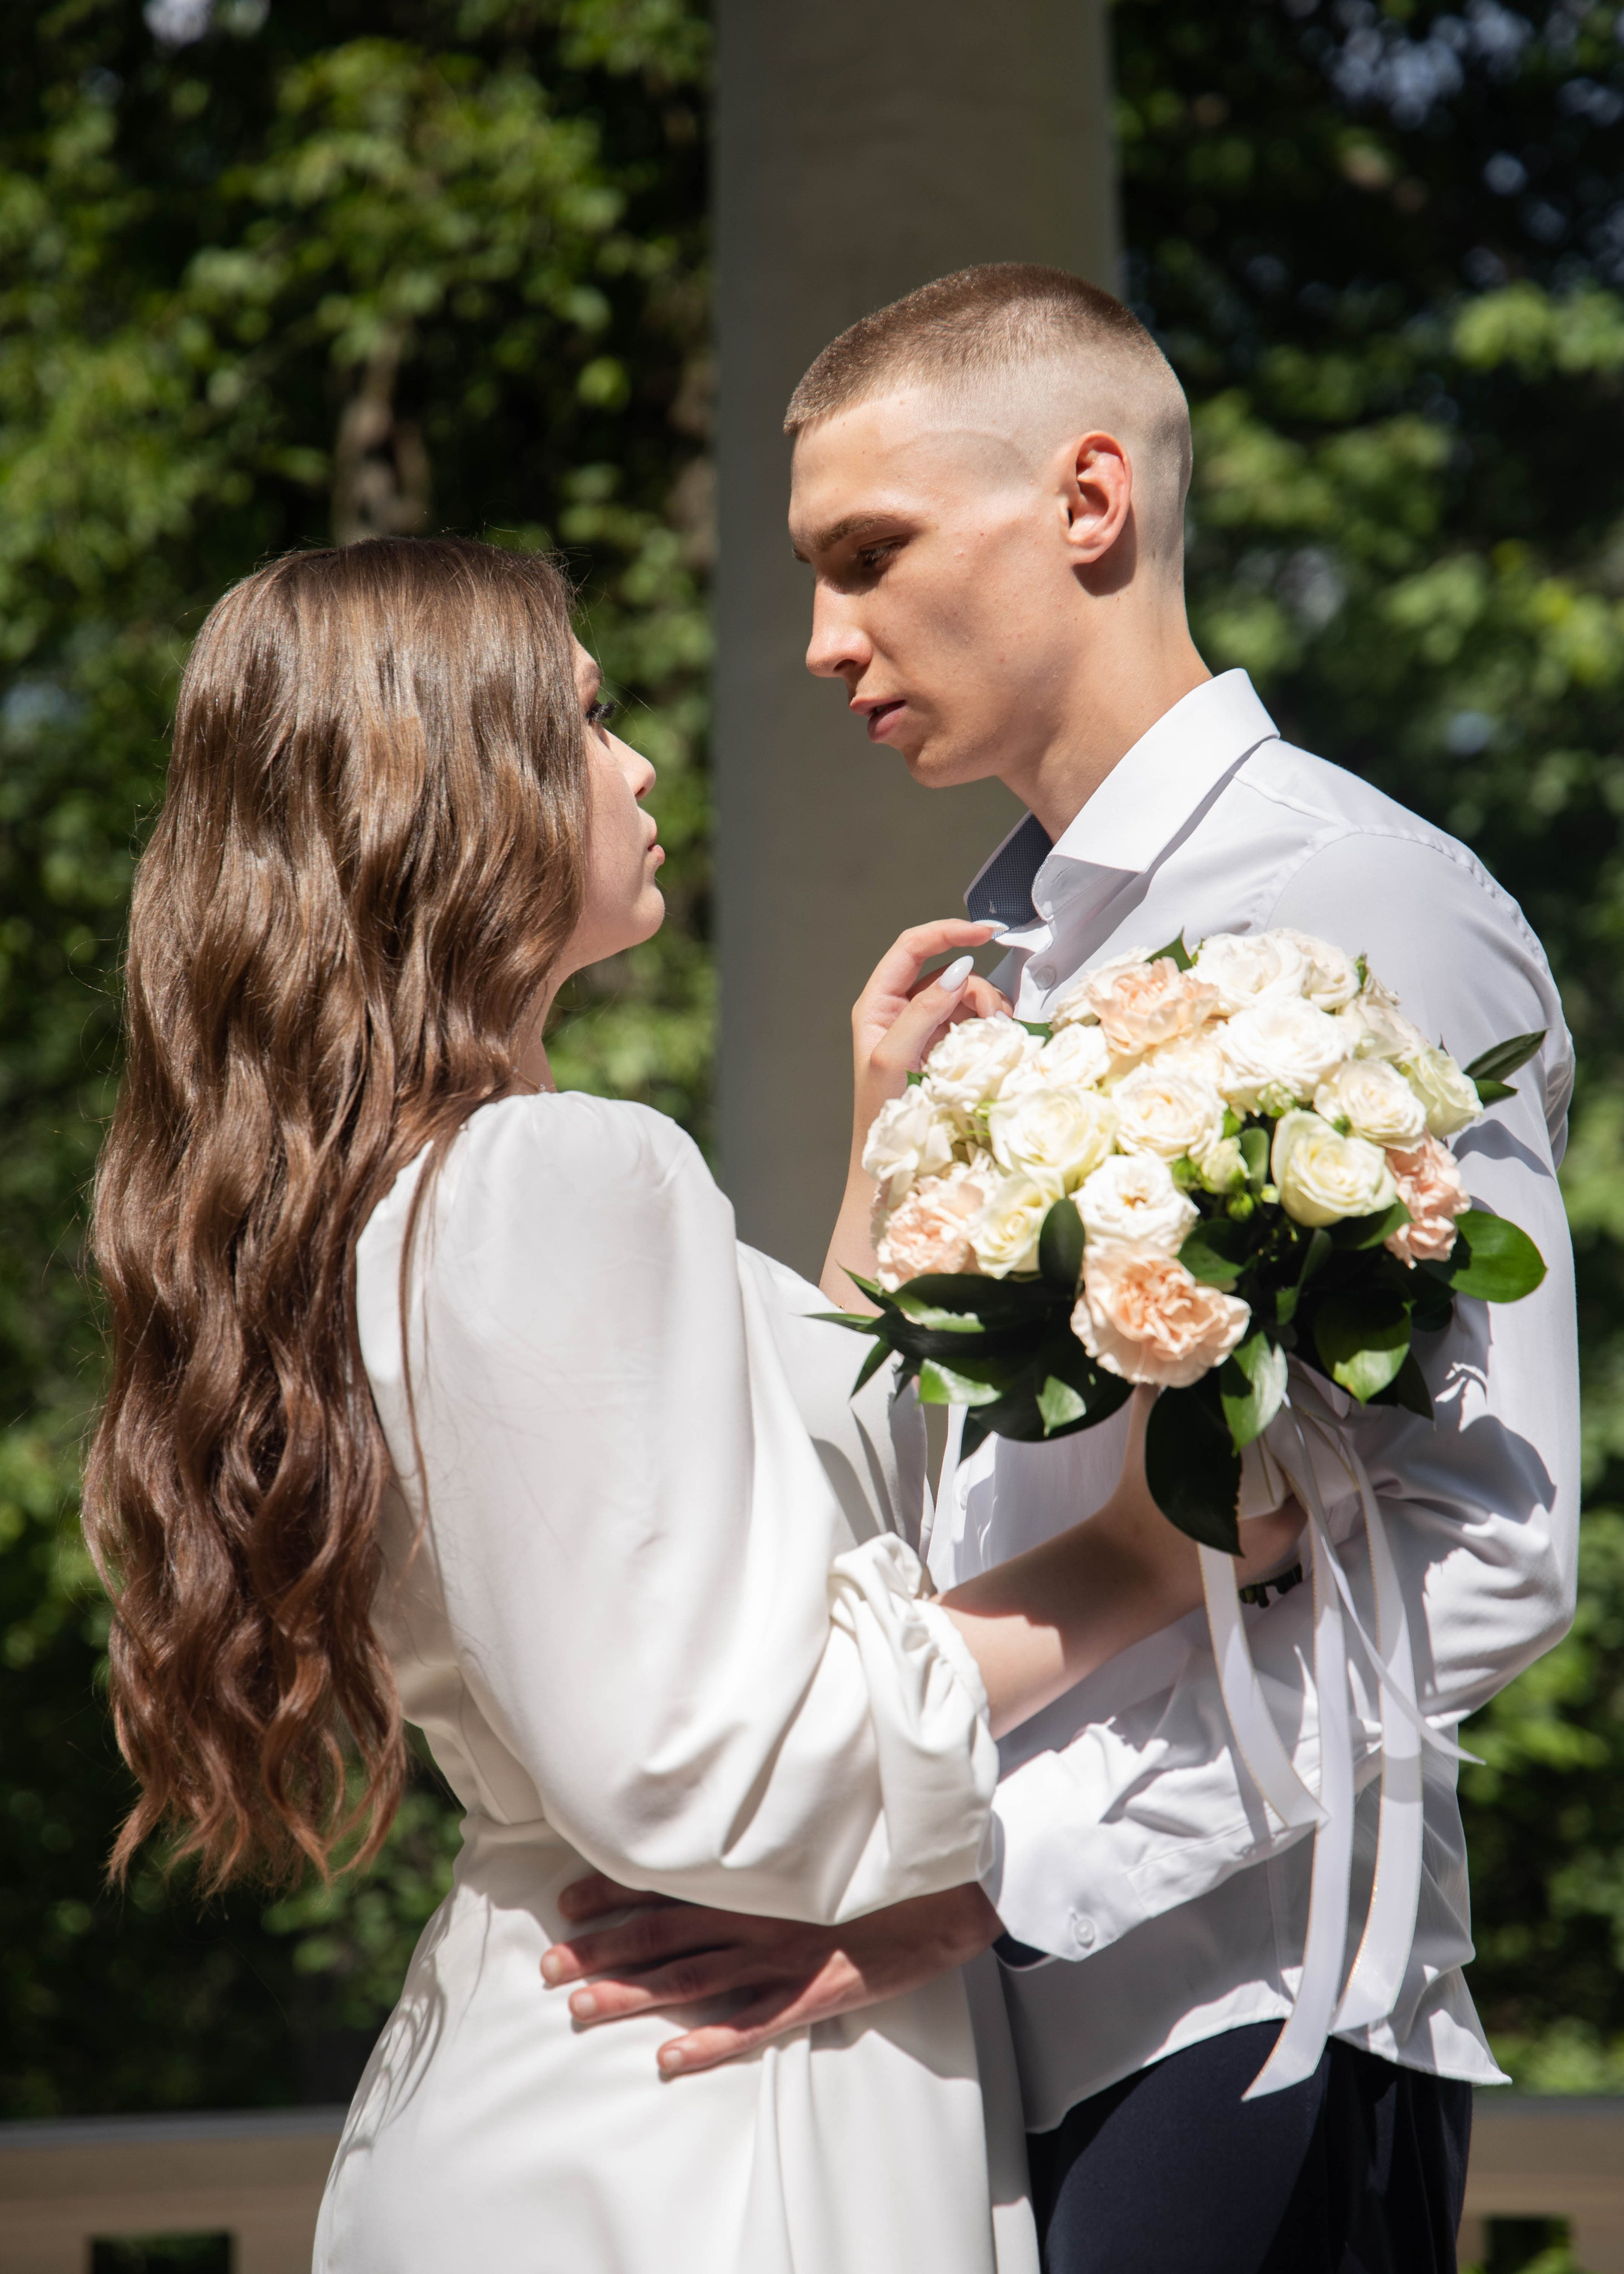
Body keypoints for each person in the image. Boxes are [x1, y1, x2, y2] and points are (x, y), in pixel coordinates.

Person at [82, 536, 1297, 2273]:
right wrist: (1143, 1545)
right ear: (452, 793)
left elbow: (751, 1519)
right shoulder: (553, 1172)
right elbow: (725, 1755)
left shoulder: (419, 1189)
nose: (638, 763)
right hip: (695, 2130)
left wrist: (887, 1157)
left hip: (604, 2075)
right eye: (582, 721)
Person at [542, 267, 1580, 2274]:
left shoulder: (1358, 904)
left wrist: (1006, 1881)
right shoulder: (994, 982)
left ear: (1088, 499)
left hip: (1248, 2034)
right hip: (979, 2046)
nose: (824, 639)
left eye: (872, 555)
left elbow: (1487, 1546)